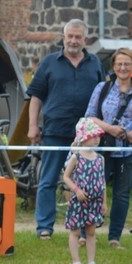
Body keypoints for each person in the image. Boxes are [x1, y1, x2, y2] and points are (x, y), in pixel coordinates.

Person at [26, 19, 105, 239]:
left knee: (85, 182)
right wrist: (33, 125)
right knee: (49, 179)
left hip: (87, 136)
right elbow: (35, 96)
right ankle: (44, 227)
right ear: (63, 38)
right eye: (69, 36)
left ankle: (83, 227)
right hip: (55, 130)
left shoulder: (95, 63)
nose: (73, 40)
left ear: (85, 39)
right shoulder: (50, 63)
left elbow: (104, 97)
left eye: (78, 37)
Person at [84, 47, 132, 248]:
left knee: (122, 195)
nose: (123, 67)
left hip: (128, 151)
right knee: (94, 190)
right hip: (102, 149)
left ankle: (114, 237)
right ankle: (85, 232)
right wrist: (109, 128)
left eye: (127, 64)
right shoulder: (102, 88)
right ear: (113, 67)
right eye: (119, 64)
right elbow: (89, 116)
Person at [61, 118, 106, 264]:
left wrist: (104, 202)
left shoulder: (100, 159)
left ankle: (91, 261)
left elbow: (102, 181)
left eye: (98, 136)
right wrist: (77, 190)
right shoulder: (76, 157)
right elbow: (66, 177)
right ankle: (76, 261)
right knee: (75, 230)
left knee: (91, 231)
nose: (96, 139)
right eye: (92, 136)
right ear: (83, 137)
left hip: (95, 201)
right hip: (78, 200)